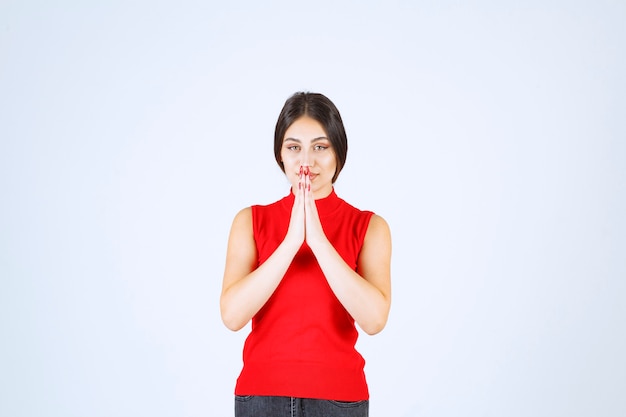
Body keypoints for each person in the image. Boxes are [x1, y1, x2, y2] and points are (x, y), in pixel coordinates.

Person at [220, 92, 392, 417]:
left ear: (338, 153)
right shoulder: (250, 221)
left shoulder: (369, 227)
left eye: (320, 147)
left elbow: (374, 319)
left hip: (340, 400)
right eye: (294, 147)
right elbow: (232, 316)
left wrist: (317, 239)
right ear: (280, 155)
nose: (306, 162)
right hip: (260, 397)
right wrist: (290, 242)